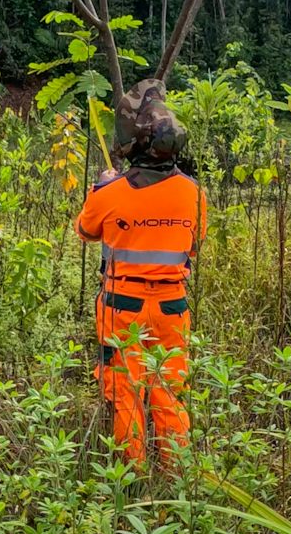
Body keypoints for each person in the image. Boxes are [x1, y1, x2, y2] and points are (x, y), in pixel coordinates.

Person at [74, 79, 208, 470]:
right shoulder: (194, 194)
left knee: (125, 393)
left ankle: (130, 478)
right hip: (172, 307)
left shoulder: (110, 193)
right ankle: (176, 476)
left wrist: (101, 187)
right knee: (169, 391)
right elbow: (193, 247)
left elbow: (85, 231)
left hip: (122, 307)